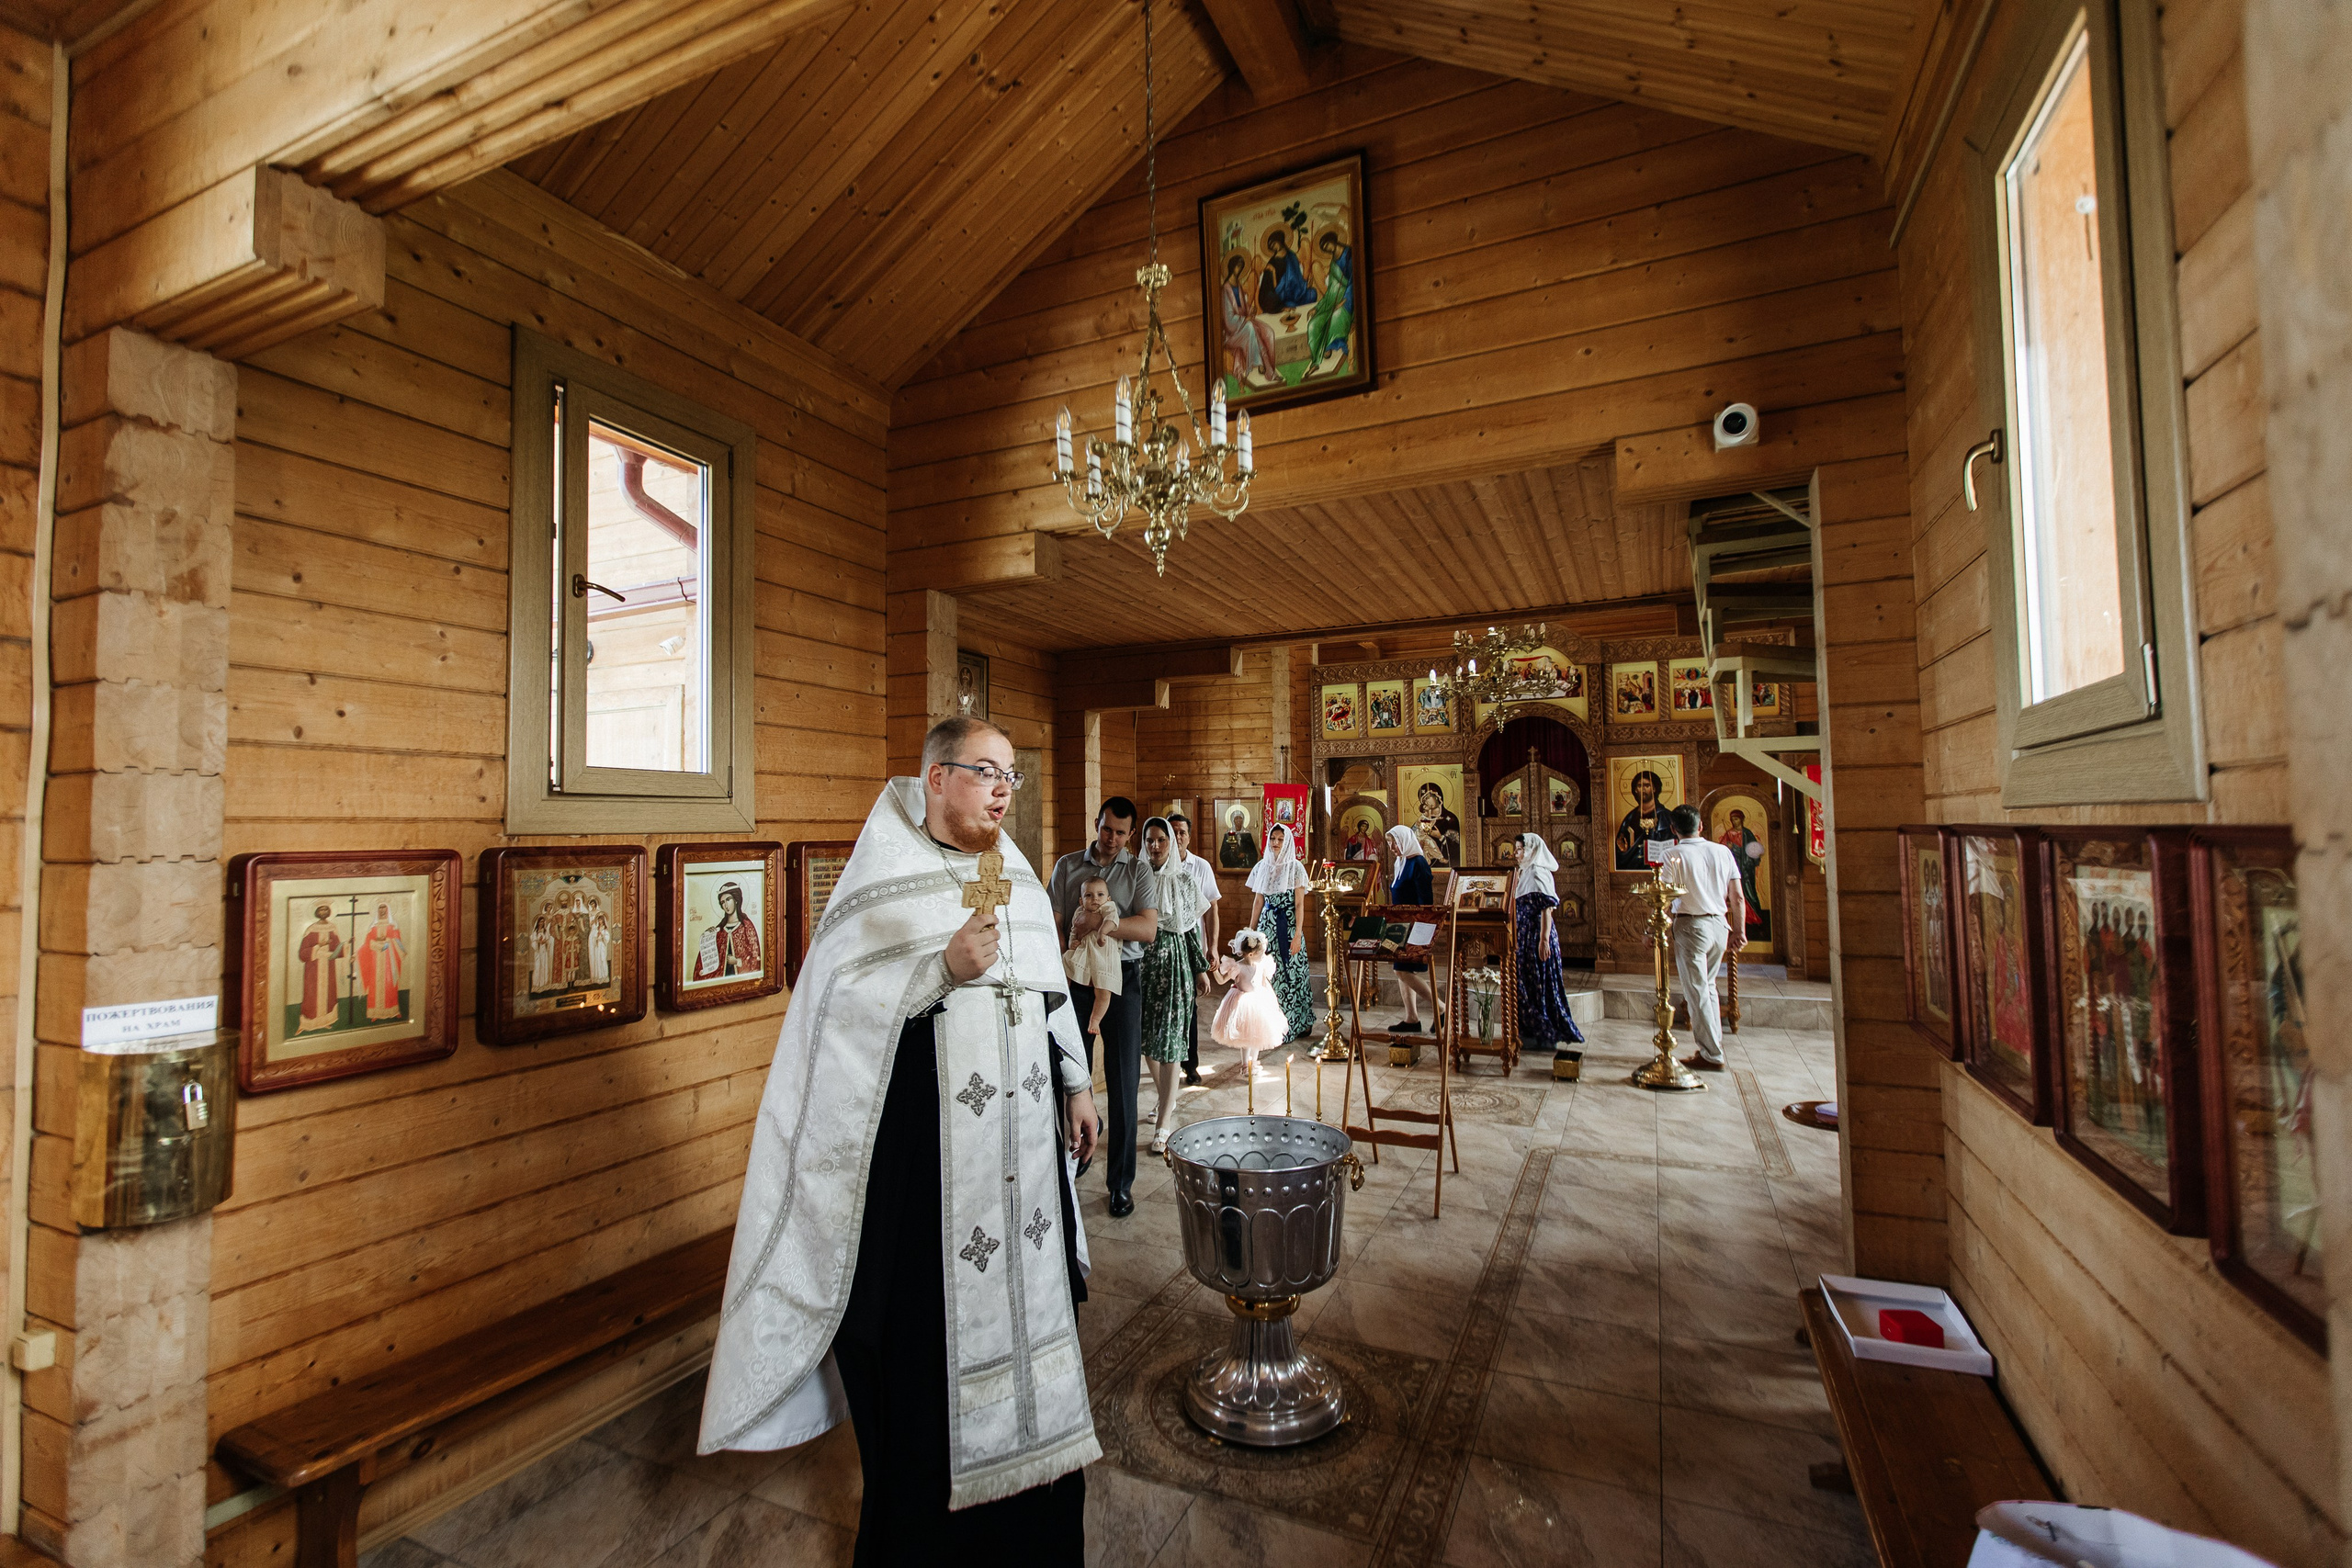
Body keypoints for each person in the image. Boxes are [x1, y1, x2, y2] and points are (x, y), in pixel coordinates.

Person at [699, 716, 1103, 1563]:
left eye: (1010, 776)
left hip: (1023, 1188)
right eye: (985, 771)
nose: (1003, 788)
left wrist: (1076, 1082)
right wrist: (938, 971)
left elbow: (1043, 986)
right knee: (927, 1387)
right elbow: (837, 1026)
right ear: (935, 778)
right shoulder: (880, 882)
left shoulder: (1018, 875)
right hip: (929, 1197)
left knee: (1041, 1347)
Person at [1047, 797, 1159, 1218]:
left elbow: (1147, 928)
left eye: (1120, 832)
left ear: (1131, 835)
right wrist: (1062, 960)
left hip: (1121, 981)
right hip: (1074, 981)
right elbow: (1055, 922)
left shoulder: (1138, 870)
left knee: (1124, 1080)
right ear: (1097, 824)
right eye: (1106, 829)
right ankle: (1073, 1158)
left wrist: (1100, 925)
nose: (1112, 839)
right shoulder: (1066, 866)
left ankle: (1120, 1184)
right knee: (1068, 1072)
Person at [1136, 818, 1209, 1155]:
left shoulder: (1184, 880)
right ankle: (1167, 1096)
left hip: (1175, 963)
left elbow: (1191, 929)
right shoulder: (1135, 876)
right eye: (1150, 840)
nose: (1155, 846)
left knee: (1170, 1040)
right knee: (1145, 1039)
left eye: (1161, 840)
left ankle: (1165, 1121)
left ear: (1171, 842)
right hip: (1141, 963)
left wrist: (1201, 969)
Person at [1659, 805, 1746, 1073]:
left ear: (1673, 830)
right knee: (1707, 987)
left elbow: (1664, 897)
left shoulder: (1672, 854)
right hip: (1720, 925)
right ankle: (1712, 1047)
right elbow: (1737, 897)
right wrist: (1739, 931)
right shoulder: (1723, 851)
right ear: (1701, 826)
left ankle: (1711, 1054)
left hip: (1691, 926)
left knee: (1696, 992)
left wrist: (1653, 930)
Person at [1511, 831, 1585, 1072]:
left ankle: (1544, 1033)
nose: (1516, 853)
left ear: (1532, 851)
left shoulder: (1538, 872)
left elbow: (1546, 909)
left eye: (1520, 849)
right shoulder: (1523, 872)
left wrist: (1543, 939)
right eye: (1516, 849)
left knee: (1539, 982)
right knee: (1525, 982)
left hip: (1536, 936)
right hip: (1524, 936)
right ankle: (1530, 1030)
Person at [1245, 820, 1316, 1043]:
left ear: (1287, 843)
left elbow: (1300, 905)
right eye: (1273, 839)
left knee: (1293, 974)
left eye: (1280, 839)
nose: (1275, 843)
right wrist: (1250, 931)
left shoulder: (1296, 868)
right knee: (1268, 976)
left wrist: (1297, 936)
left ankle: (1296, 1023)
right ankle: (1271, 1026)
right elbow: (1258, 901)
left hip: (1289, 928)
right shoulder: (1261, 867)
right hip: (1267, 930)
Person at [1168, 813, 1221, 1087]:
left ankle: (1190, 1065)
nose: (1177, 838)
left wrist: (1211, 946)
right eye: (1173, 832)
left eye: (1182, 833)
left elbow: (1211, 909)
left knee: (1189, 1007)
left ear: (1189, 836)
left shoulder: (1200, 867)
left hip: (1191, 948)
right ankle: (1165, 1063)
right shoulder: (1151, 865)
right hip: (1162, 951)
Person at [1383, 824, 1441, 1033]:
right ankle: (1411, 1019)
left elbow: (1425, 902)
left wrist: (1421, 929)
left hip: (1414, 927)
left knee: (1402, 971)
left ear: (1405, 841)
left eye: (1394, 843)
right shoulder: (1401, 862)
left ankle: (1441, 1008)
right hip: (1399, 926)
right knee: (1400, 970)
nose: (1392, 847)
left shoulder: (1418, 863)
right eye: (1389, 843)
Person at [1211, 930, 1286, 1080]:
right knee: (1246, 1036)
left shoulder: (1261, 965)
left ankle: (1254, 1061)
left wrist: (1269, 999)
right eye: (1260, 953)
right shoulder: (1237, 966)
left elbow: (1264, 982)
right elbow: (1221, 980)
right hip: (1242, 1002)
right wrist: (1213, 970)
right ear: (1251, 954)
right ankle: (1246, 1064)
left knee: (1259, 1033)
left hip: (1259, 1001)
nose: (1262, 956)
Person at [1062, 875, 1121, 1043]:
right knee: (1066, 961)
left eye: (1100, 895)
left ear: (1108, 898)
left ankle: (1095, 1019)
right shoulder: (1079, 912)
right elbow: (1074, 928)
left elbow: (1112, 920)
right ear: (1081, 901)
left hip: (1104, 955)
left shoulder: (1108, 908)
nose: (1095, 898)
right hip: (1084, 952)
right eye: (1089, 895)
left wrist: (1102, 932)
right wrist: (1072, 941)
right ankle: (1063, 992)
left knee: (1103, 990)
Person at [692, 881, 762, 981]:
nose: (726, 905)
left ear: (736, 900)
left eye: (728, 900)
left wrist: (737, 961)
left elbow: (755, 959)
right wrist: (708, 937)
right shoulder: (719, 930)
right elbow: (707, 960)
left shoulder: (747, 927)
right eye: (722, 902)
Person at [1613, 769, 1676, 871]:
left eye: (1647, 786)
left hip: (1658, 869)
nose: (1643, 790)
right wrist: (1623, 851)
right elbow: (1621, 847)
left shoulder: (1665, 816)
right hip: (1632, 869)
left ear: (1654, 789)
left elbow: (1671, 844)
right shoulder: (1630, 818)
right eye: (1639, 786)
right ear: (1635, 790)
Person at [1718, 809, 1767, 939]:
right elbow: (1720, 850)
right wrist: (1727, 846)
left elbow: (1752, 851)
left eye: (1737, 819)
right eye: (1732, 819)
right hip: (1732, 868)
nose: (1734, 821)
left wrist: (1734, 848)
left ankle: (1755, 919)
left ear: (1742, 819)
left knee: (1749, 892)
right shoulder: (1728, 833)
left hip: (1745, 869)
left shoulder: (1747, 834)